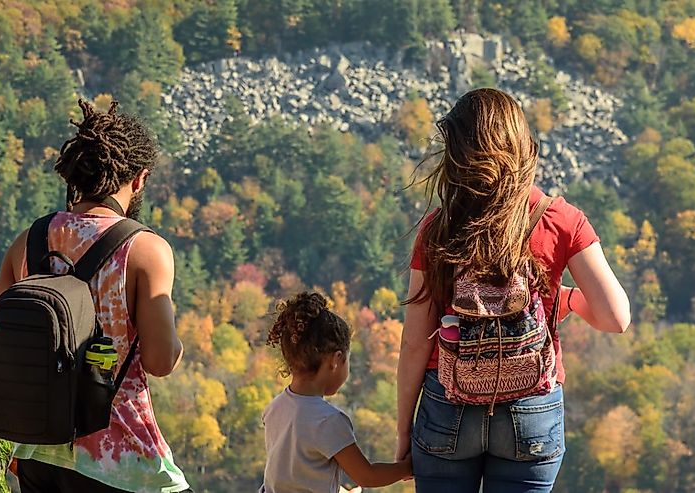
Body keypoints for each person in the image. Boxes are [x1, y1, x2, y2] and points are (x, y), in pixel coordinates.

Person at [396, 88, 631, 492]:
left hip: (447, 408)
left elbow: (416, 342)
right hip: (530, 412)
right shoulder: (559, 219)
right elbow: (616, 318)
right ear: (522, 147)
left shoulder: (438, 229)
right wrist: (569, 299)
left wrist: (404, 431)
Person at [0, 100, 190, 493]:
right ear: (139, 179)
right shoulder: (145, 250)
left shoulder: (29, 240)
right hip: (121, 460)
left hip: (34, 453)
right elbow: (161, 361)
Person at [261, 292, 412, 492]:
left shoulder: (275, 407)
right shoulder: (328, 421)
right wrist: (407, 467)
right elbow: (367, 476)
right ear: (335, 361)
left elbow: (296, 475)